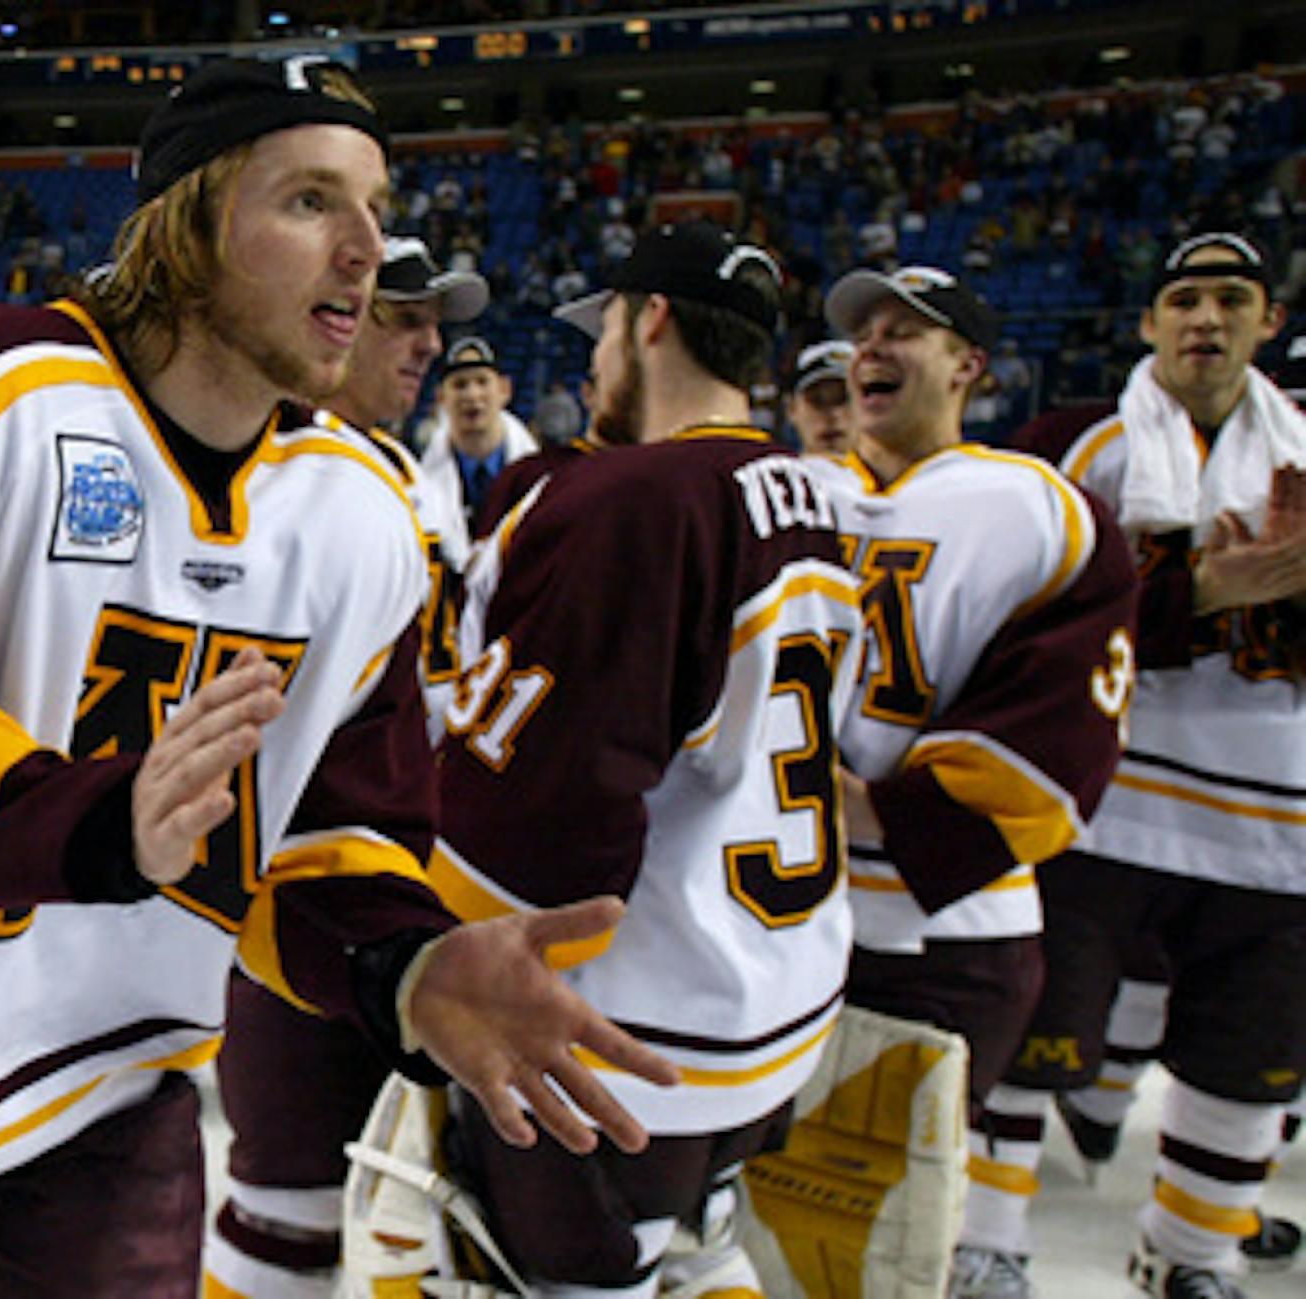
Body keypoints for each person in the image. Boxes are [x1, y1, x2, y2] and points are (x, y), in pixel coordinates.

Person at [0, 59, 675, 1299]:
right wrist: (103, 819)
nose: (368, 247)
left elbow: (331, 830)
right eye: (312, 201)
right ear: (186, 225)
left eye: (375, 204)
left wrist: (403, 961)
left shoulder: (361, 509)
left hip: (113, 1080)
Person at [421, 220, 865, 1295]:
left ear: (652, 317)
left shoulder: (634, 497)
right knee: (700, 1253)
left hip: (629, 1033)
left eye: (606, 330)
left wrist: (427, 953)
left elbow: (542, 810)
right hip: (779, 998)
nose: (593, 359)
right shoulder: (835, 494)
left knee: (539, 1273)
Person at [743, 266, 1138, 1299]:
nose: (872, 349)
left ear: (970, 364)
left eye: (904, 332)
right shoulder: (792, 495)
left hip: (943, 937)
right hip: (769, 915)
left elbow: (1064, 729)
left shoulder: (1042, 508)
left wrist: (852, 803)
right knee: (745, 1214)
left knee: (873, 1233)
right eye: (861, 332)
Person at [990, 231, 1306, 1299]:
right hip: (1098, 808)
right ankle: (988, 1246)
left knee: (1244, 1067)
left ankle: (1193, 1261)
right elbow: (1022, 616)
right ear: (1147, 323)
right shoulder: (1075, 445)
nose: (1204, 320)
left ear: (1270, 320)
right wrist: (1202, 595)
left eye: (1230, 299)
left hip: (1279, 834)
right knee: (1028, 1041)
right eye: (1183, 299)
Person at [201, 232, 488, 1297]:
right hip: (307, 900)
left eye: (432, 323)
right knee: (285, 1211)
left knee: (401, 1209)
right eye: (401, 317)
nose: (426, 344)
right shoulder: (276, 473)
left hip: (406, 895)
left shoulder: (400, 471)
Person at [418, 335, 537, 567]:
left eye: (482, 382)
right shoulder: (420, 485)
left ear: (505, 390)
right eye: (460, 385)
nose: (472, 396)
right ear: (441, 397)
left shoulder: (539, 477)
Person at [786, 338, 856, 457]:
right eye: (817, 401)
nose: (832, 414)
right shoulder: (771, 474)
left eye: (844, 399)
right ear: (792, 409)